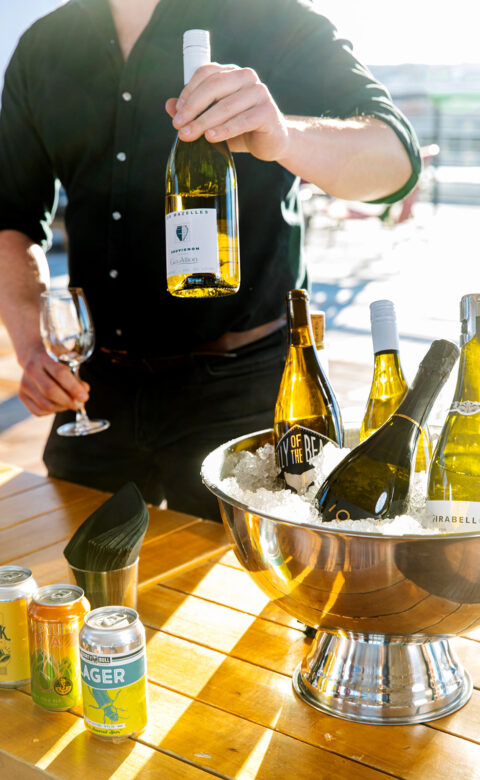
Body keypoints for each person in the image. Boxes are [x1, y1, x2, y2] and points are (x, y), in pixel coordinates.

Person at [0, 0, 420, 520]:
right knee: (78, 579)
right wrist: (29, 342)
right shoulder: (43, 46)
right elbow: (11, 217)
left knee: (252, 592)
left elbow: (396, 161)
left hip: (244, 391)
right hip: (95, 391)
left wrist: (285, 136)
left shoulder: (270, 17)